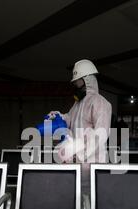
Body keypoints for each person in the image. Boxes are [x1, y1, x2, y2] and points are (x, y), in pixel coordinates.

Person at [48, 59, 112, 194]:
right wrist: (59, 116)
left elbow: (101, 134)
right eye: (75, 83)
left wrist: (80, 154)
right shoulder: (78, 103)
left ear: (87, 80)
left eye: (78, 82)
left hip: (93, 163)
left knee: (92, 203)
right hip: (76, 162)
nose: (76, 86)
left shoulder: (100, 102)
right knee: (74, 200)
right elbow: (70, 120)